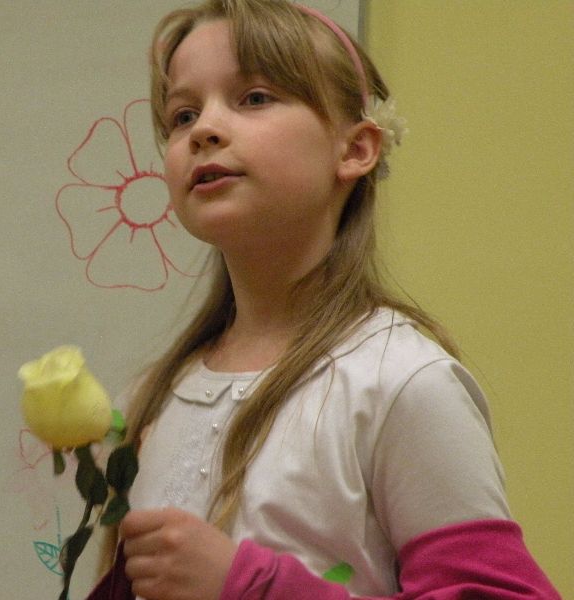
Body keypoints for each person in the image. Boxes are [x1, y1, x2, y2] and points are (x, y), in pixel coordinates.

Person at [87, 1, 561, 598]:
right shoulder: (151, 396)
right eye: (182, 115)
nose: (203, 129)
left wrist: (249, 586)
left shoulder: (400, 382)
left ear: (355, 150)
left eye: (254, 98)